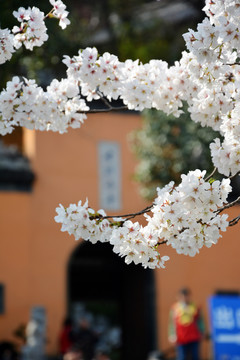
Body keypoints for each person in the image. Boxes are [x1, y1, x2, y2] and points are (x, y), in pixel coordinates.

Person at [168, 287, 205, 360]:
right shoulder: (175, 308)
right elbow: (172, 323)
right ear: (178, 297)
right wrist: (172, 335)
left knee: (195, 356)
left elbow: (200, 321)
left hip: (194, 336)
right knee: (182, 357)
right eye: (182, 296)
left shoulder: (195, 307)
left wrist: (202, 331)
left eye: (186, 296)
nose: (184, 298)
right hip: (181, 337)